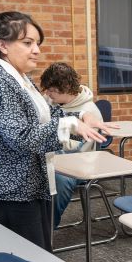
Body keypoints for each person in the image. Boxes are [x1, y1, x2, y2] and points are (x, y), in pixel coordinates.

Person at [0, 11, 112, 251]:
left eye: (37, 43)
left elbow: (47, 116)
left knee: (37, 258)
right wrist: (71, 125)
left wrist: (81, 117)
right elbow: (20, 137)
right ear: (2, 45)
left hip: (30, 185)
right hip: (11, 191)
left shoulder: (20, 78)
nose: (36, 50)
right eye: (28, 43)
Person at [39, 62, 104, 228]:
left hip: (79, 161)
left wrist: (46, 135)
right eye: (47, 89)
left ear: (67, 87)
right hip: (52, 154)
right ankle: (29, 225)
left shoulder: (90, 111)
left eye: (52, 90)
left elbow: (78, 147)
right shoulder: (49, 101)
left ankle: (47, 228)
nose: (48, 94)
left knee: (59, 179)